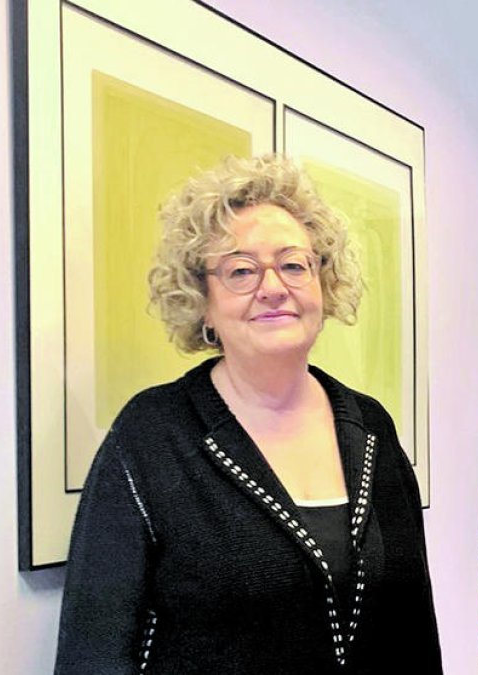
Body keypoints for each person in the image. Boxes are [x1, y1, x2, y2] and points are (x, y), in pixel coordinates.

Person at [54, 155, 442, 674]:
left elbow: (412, 629)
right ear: (202, 302)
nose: (273, 287)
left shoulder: (371, 428)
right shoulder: (151, 437)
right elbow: (93, 651)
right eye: (240, 270)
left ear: (322, 285)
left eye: (293, 264)